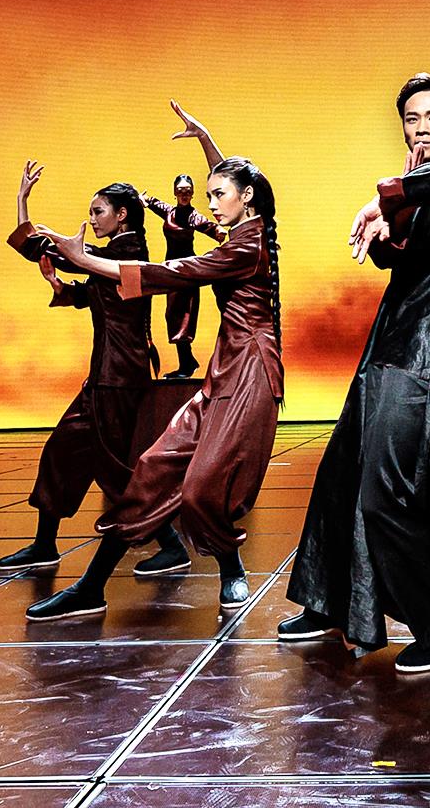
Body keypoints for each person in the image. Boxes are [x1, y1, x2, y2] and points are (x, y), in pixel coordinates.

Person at [276, 74, 430, 675]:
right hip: (388, 347)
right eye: (412, 119)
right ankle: (330, 603)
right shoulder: (416, 191)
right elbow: (393, 257)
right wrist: (388, 228)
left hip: (426, 356)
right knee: (341, 472)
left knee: (393, 489)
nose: (422, 128)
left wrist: (384, 200)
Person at [22, 155, 282, 617]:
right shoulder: (239, 234)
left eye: (219, 194)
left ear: (246, 197)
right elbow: (233, 182)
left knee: (201, 487)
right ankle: (91, 587)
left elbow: (176, 273)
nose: (210, 204)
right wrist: (206, 140)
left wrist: (81, 258)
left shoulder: (248, 246)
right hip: (224, 368)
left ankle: (231, 568)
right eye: (208, 195)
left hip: (251, 373)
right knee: (152, 469)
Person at [0, 167, 173, 577]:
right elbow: (93, 295)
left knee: (114, 471)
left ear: (122, 214)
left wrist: (23, 203)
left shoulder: (124, 254)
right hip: (106, 377)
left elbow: (44, 248)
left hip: (119, 378)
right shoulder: (111, 256)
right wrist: (61, 288)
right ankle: (44, 545)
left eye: (98, 211)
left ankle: (173, 543)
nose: (91, 219)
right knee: (62, 451)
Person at [144, 175, 226, 377]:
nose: (184, 194)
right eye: (180, 190)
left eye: (188, 190)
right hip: (170, 270)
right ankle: (187, 361)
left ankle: (186, 364)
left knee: (183, 317)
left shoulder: (193, 216)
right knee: (172, 315)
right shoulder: (170, 212)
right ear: (174, 192)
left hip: (187, 271)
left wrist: (218, 230)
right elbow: (155, 204)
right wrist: (144, 200)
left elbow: (208, 225)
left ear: (192, 193)